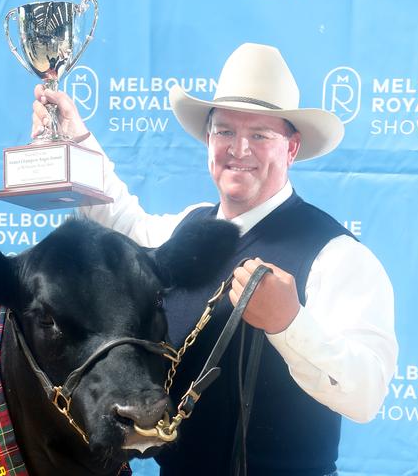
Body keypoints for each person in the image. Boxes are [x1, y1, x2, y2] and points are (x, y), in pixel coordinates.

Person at [31, 43, 397, 476]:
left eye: (259, 135)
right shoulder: (189, 227)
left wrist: (290, 324)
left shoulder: (336, 255)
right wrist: (74, 141)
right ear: (208, 139)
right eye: (224, 131)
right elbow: (122, 224)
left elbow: (367, 395)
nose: (239, 149)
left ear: (291, 148)